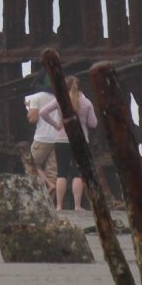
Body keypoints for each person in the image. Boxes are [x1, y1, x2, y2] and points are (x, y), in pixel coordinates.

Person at [40, 76, 98, 212]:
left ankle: (59, 206)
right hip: (80, 141)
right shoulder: (86, 102)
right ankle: (77, 206)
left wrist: (56, 124)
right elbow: (93, 124)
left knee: (61, 173)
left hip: (61, 140)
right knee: (78, 173)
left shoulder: (60, 100)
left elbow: (43, 112)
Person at [25, 83, 61, 195]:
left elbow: (32, 119)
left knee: (31, 165)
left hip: (43, 137)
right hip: (59, 137)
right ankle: (50, 203)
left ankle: (48, 185)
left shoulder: (36, 97)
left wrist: (28, 108)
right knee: (52, 171)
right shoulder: (59, 97)